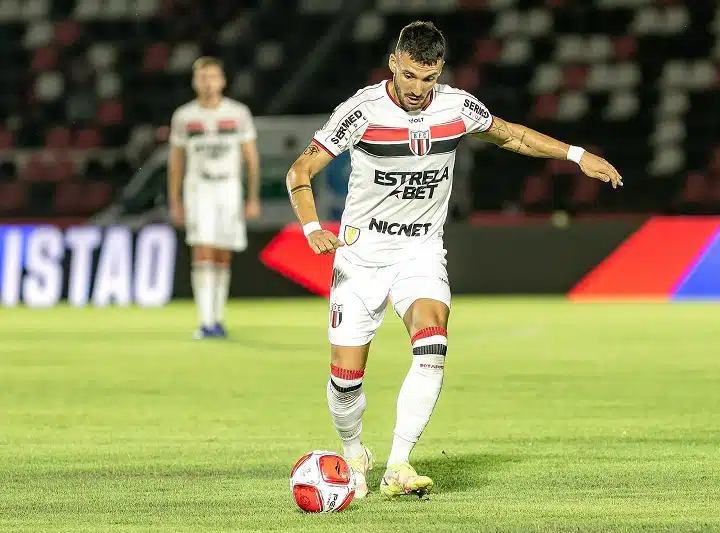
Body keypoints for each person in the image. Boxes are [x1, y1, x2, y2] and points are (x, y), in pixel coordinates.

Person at [285, 21, 623, 498]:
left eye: (429, 78)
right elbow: (300, 169)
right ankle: (354, 451)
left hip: (420, 251)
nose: (419, 90)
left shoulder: (457, 106)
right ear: (394, 65)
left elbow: (512, 136)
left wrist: (576, 154)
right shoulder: (361, 111)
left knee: (432, 344)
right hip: (361, 255)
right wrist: (313, 227)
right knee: (345, 382)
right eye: (410, 77)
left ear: (439, 72)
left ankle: (399, 463)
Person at [168, 57, 261, 339]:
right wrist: (175, 200)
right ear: (195, 82)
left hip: (229, 186)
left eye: (212, 77)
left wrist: (252, 197)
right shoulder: (184, 116)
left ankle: (217, 318)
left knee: (222, 252)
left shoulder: (238, 113)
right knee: (202, 248)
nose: (207, 83)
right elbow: (176, 161)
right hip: (198, 186)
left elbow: (251, 158)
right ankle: (205, 320)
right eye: (202, 78)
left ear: (222, 81)